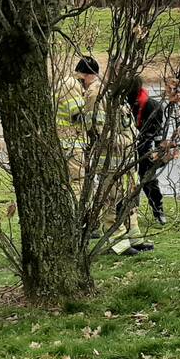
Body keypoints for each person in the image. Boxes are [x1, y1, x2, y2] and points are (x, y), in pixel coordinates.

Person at [73, 56, 151, 255]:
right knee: (117, 200)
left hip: (120, 156)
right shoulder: (101, 92)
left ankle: (131, 238)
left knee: (122, 200)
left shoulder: (102, 92)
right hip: (118, 156)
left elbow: (104, 127)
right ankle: (120, 243)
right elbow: (101, 128)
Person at [126, 76, 167, 225]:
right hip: (125, 147)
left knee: (149, 180)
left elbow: (158, 133)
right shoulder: (121, 103)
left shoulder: (152, 106)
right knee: (125, 183)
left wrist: (158, 154)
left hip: (145, 148)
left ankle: (158, 210)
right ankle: (128, 213)